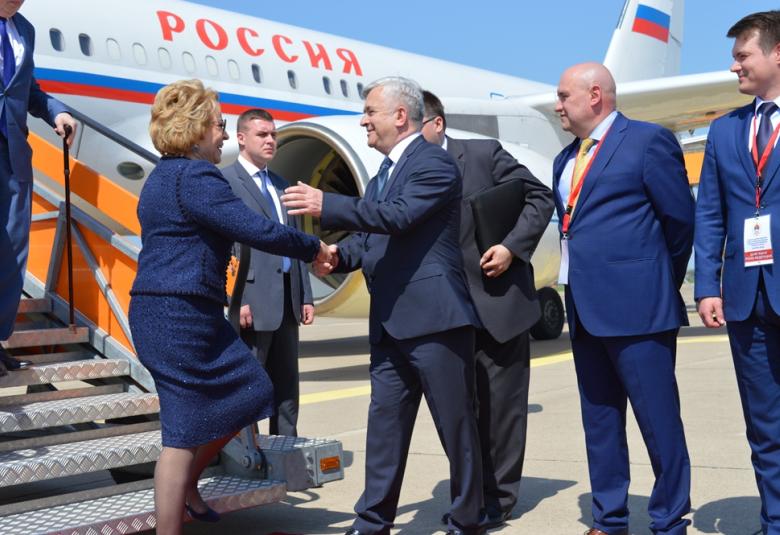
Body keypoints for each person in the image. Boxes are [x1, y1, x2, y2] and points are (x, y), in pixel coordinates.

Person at [128, 79, 333, 535]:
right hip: (178, 315)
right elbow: (253, 228)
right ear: (196, 128)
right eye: (219, 125)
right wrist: (313, 246)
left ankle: (189, 485)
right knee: (182, 434)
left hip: (179, 312)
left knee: (252, 393)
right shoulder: (196, 177)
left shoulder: (160, 177)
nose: (223, 135)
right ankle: (174, 517)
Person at [281, 76, 485, 535]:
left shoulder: (434, 163)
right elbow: (370, 237)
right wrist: (337, 255)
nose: (363, 121)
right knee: (385, 428)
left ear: (400, 115)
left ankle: (467, 519)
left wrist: (326, 203)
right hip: (390, 324)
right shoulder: (382, 176)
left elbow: (398, 217)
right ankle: (372, 522)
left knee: (456, 428)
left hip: (435, 322)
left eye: (370, 111)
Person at [552, 63, 694, 535]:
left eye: (564, 96)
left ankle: (668, 519)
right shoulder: (565, 159)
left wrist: (655, 282)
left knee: (658, 422)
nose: (557, 105)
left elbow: (679, 222)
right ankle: (609, 519)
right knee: (600, 422)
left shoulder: (648, 141)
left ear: (595, 95)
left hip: (640, 310)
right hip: (584, 309)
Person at [420, 90, 554, 529]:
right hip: (443, 312)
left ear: (436, 123)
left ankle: (498, 499)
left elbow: (539, 197)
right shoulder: (405, 172)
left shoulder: (481, 155)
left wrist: (511, 248)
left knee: (501, 411)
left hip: (497, 303)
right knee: (458, 413)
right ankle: (471, 495)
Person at [695, 11, 780, 534]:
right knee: (765, 425)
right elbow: (710, 213)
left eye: (742, 55)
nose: (734, 66)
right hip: (746, 297)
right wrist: (707, 286)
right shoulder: (725, 130)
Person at [222, 109, 313, 437]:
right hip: (251, 300)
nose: (271, 140)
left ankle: (286, 450)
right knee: (250, 386)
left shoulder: (281, 185)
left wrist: (305, 295)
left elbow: (295, 240)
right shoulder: (226, 183)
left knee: (287, 387)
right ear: (241, 138)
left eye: (273, 135)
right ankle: (249, 450)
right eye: (262, 135)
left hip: (287, 299)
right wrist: (235, 298)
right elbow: (225, 246)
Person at [0, 0, 78, 374]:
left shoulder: (24, 30)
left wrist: (56, 111)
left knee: (12, 249)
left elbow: (26, 89)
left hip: (13, 152)